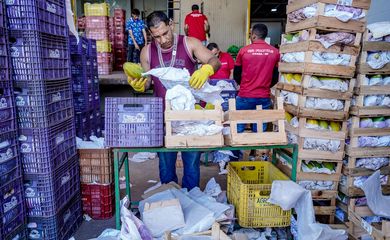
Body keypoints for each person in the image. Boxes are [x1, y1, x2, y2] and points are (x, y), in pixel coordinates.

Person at [126, 11, 221, 190]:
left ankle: (191, 196)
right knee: (166, 166)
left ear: (170, 24)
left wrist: (206, 69)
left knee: (192, 164)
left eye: (165, 33)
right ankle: (170, 200)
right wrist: (139, 85)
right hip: (165, 119)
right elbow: (147, 82)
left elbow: (214, 60)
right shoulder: (147, 52)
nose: (162, 40)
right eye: (156, 37)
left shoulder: (189, 43)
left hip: (190, 118)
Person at [233, 23, 280, 133]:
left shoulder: (243, 51)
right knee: (259, 130)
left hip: (245, 95)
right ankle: (255, 149)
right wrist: (265, 86)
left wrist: (245, 85)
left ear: (253, 36)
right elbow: (275, 76)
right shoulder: (275, 52)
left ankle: (238, 149)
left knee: (238, 129)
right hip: (263, 97)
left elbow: (236, 74)